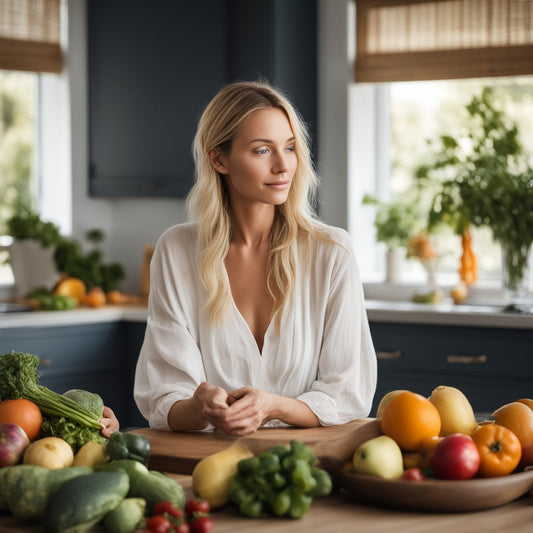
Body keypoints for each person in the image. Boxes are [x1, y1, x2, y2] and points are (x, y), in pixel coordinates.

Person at [134, 80, 377, 436]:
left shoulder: (332, 252)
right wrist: (200, 406)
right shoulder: (177, 250)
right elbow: (164, 400)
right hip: (208, 464)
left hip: (305, 466)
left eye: (290, 147)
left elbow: (348, 395)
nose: (283, 166)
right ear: (219, 159)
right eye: (263, 151)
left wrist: (273, 405)